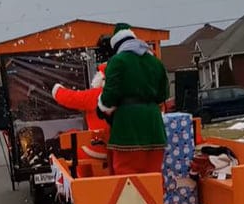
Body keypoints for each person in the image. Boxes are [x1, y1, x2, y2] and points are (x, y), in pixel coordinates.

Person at [97, 23, 169, 175]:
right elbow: (163, 95)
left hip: (128, 130)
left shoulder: (118, 61)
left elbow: (110, 96)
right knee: (152, 178)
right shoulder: (155, 62)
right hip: (154, 128)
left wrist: (101, 107)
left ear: (116, 44)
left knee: (127, 177)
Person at [51, 63, 111, 176]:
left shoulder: (95, 95)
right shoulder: (130, 96)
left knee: (78, 142)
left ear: (100, 78)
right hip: (120, 150)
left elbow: (70, 98)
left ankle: (84, 178)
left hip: (96, 151)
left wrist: (57, 89)